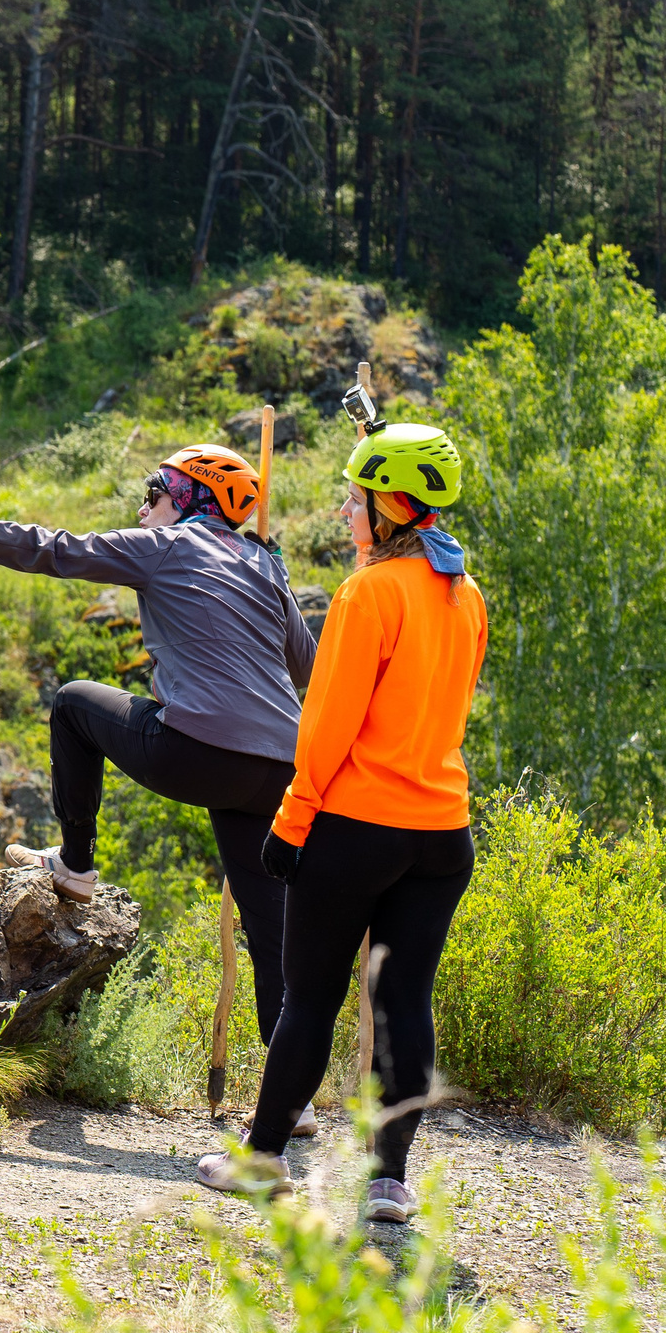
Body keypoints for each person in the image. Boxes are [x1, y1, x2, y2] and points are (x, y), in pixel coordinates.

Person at [0, 443, 317, 1099]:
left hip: (196, 752)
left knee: (74, 703)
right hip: (280, 769)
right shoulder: (266, 565)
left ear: (191, 498)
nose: (143, 508)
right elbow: (310, 669)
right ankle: (291, 1103)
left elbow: (49, 547)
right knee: (271, 926)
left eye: (154, 493)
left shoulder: (165, 547)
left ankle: (74, 865)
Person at [196, 421, 486, 1227]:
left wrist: (292, 821)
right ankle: (390, 1181)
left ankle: (262, 1157)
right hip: (442, 834)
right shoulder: (466, 595)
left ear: (389, 504)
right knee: (405, 1002)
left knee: (310, 996)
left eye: (355, 496)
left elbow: (327, 724)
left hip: (357, 826)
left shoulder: (368, 594)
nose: (346, 509)